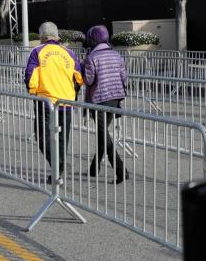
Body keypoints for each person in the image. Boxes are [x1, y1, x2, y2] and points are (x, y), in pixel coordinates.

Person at [24, 21, 82, 177]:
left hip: (46, 101)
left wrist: (33, 93)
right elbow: (79, 77)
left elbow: (31, 78)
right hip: (67, 101)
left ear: (41, 36)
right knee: (62, 137)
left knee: (42, 136)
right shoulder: (69, 53)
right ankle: (60, 164)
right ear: (57, 36)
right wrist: (73, 93)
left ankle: (57, 165)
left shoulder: (37, 51)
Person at [81, 25, 128, 183]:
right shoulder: (116, 55)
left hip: (99, 99)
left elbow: (88, 80)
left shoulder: (91, 58)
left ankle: (121, 170)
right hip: (115, 98)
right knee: (104, 134)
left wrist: (82, 67)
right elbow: (124, 77)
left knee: (103, 135)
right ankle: (94, 168)